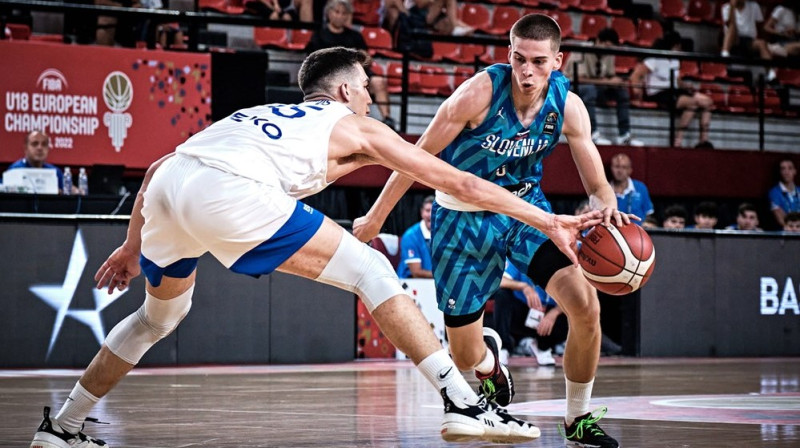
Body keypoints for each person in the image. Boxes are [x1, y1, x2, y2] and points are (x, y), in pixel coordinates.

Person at [29, 47, 607, 448]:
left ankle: (63, 425)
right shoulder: (354, 124)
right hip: (230, 191)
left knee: (159, 316)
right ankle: (464, 404)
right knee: (373, 272)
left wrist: (133, 245)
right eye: (367, 87)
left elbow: (160, 165)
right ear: (345, 89)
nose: (372, 97)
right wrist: (548, 219)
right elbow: (460, 183)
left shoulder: (255, 114)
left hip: (171, 189)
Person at [354, 14, 632, 448]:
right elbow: (413, 157)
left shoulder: (569, 106)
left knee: (585, 305)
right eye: (518, 58)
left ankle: (577, 418)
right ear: (508, 54)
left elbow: (597, 184)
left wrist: (608, 206)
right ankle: (489, 363)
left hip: (527, 212)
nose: (526, 71)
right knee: (464, 354)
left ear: (558, 61)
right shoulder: (477, 94)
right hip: (462, 218)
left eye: (538, 62)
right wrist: (374, 219)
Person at [306, 0, 395, 130]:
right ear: (329, 13)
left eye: (344, 13)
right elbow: (312, 60)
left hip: (355, 71)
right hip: (330, 73)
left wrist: (359, 57)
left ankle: (387, 120)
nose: (340, 16)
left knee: (379, 81)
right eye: (337, 12)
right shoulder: (319, 35)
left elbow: (366, 59)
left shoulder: (355, 36)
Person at [630, 31, 715, 149]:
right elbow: (636, 75)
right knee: (693, 103)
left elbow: (676, 80)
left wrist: (686, 86)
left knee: (708, 102)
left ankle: (703, 141)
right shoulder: (654, 58)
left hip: (675, 91)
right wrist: (637, 92)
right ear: (674, 45)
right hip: (659, 93)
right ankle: (678, 140)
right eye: (679, 46)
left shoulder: (675, 60)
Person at [565, 28, 643, 147]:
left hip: (597, 88)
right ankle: (592, 133)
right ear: (598, 41)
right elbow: (578, 78)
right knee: (589, 89)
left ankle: (624, 135)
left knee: (622, 92)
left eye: (611, 48)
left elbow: (608, 75)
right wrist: (607, 81)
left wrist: (617, 81)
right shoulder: (581, 50)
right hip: (574, 87)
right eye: (606, 46)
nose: (608, 50)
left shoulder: (608, 53)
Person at [491, 260, 565, 367]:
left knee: (577, 309)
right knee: (502, 294)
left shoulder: (564, 262)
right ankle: (503, 348)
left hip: (550, 318)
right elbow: (499, 281)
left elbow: (577, 295)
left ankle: (543, 347)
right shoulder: (521, 256)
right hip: (523, 312)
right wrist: (524, 286)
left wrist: (555, 312)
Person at [720, 0, 776, 81]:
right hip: (733, 39)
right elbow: (729, 24)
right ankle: (725, 53)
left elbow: (760, 26)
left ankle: (770, 72)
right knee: (732, 27)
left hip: (749, 40)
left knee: (762, 43)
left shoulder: (754, 6)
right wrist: (732, 7)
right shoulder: (726, 8)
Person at [609, 153, 654, 224]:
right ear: (611, 168)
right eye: (617, 167)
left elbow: (648, 214)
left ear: (630, 170)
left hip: (638, 231)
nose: (620, 171)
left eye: (624, 167)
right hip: (613, 231)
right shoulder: (605, 189)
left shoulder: (640, 187)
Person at [397, 195, 434, 278]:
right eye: (428, 211)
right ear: (422, 213)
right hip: (409, 284)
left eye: (434, 211)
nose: (431, 215)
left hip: (434, 283)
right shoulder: (410, 236)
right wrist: (444, 277)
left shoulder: (444, 234)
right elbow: (416, 273)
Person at [768, 159, 799, 228]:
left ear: (795, 171)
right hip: (785, 233)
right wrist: (793, 229)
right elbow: (781, 219)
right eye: (783, 169)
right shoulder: (774, 192)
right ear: (780, 172)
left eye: (790, 168)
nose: (786, 172)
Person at [245, 0, 313, 22]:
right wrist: (273, 8)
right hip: (255, 3)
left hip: (275, 5)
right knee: (274, 17)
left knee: (287, 17)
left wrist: (276, 5)